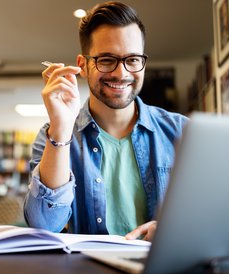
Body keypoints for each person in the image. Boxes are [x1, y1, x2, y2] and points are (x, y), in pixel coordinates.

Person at [24, 1, 188, 241]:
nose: (121, 73)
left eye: (132, 60)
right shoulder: (53, 137)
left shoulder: (182, 132)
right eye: (107, 59)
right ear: (83, 65)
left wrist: (174, 229)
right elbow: (44, 226)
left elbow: (216, 213)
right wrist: (61, 128)